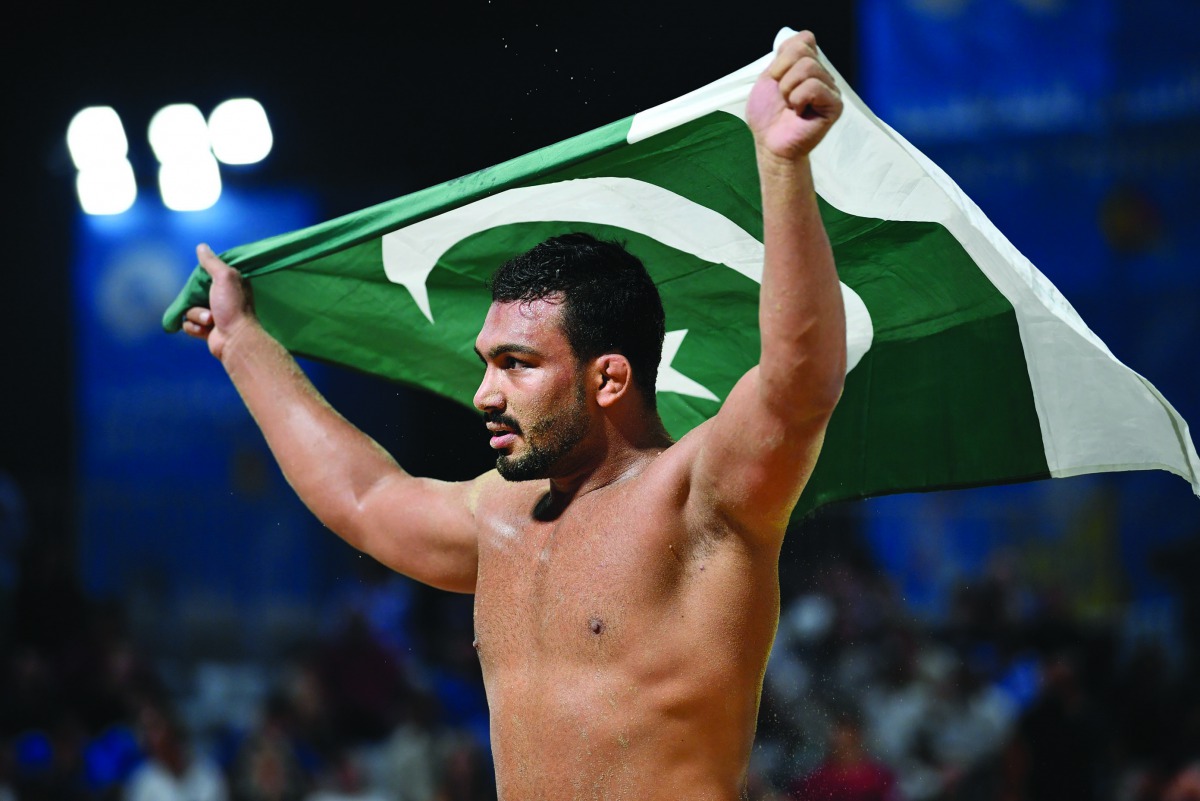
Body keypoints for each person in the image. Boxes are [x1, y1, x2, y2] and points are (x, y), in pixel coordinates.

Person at [182, 31, 845, 801]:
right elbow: (362, 498)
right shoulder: (498, 518)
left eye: (517, 364)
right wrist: (242, 344)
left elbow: (800, 383)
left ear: (609, 378)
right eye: (486, 362)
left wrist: (782, 164)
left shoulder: (699, 497)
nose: (484, 394)